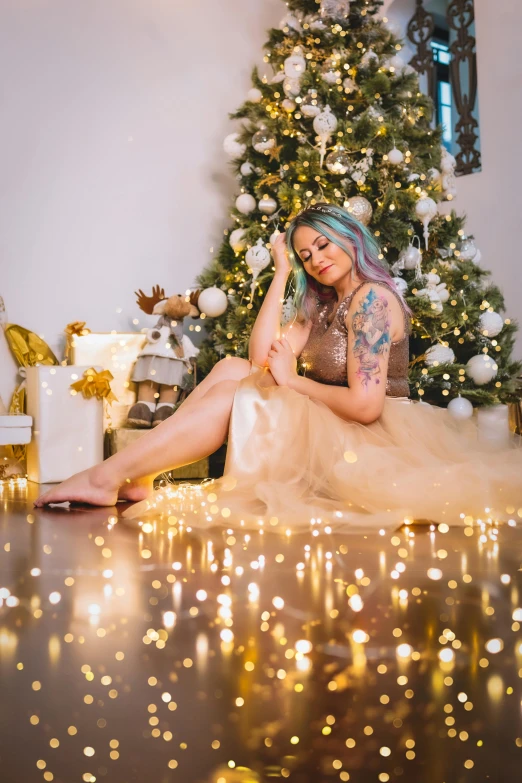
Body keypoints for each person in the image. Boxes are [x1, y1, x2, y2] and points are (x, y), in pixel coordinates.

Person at [34, 204, 522, 535]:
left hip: (368, 438)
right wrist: (284, 271)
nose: (318, 260)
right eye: (308, 255)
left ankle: (108, 477)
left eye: (324, 247)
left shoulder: (371, 301)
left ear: (351, 239)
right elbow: (258, 355)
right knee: (230, 369)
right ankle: (139, 474)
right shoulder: (327, 304)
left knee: (235, 393)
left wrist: (293, 381)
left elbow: (367, 406)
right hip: (334, 425)